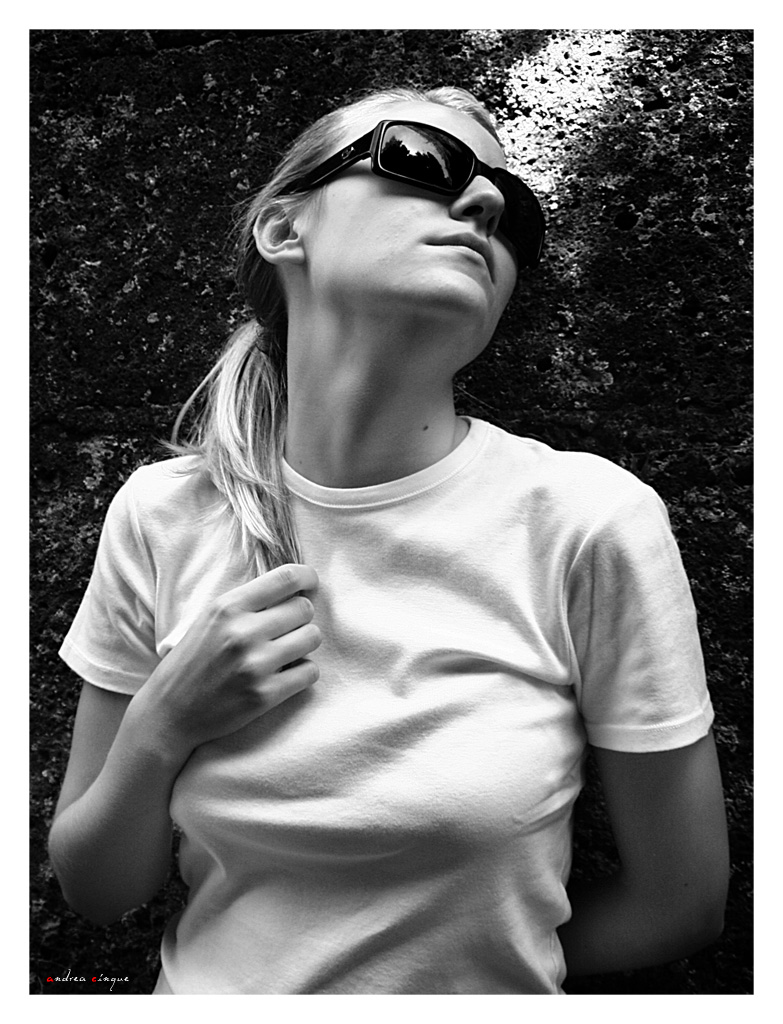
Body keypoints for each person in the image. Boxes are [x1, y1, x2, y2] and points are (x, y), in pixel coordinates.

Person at [48, 85, 729, 995]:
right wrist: (162, 725)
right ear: (284, 227)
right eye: (421, 161)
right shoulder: (162, 514)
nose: (481, 202)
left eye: (513, 214)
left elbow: (680, 904)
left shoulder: (586, 520)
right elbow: (97, 890)